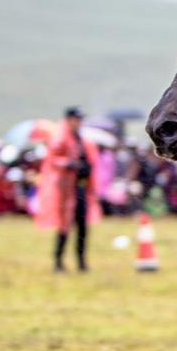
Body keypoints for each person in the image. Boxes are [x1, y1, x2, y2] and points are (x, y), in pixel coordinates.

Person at [34, 107, 102, 272]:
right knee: (64, 226)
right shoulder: (60, 139)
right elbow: (52, 160)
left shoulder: (83, 140)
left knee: (82, 226)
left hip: (82, 188)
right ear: (69, 119)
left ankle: (81, 261)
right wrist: (69, 164)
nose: (79, 123)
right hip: (67, 190)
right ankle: (58, 261)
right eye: (76, 119)